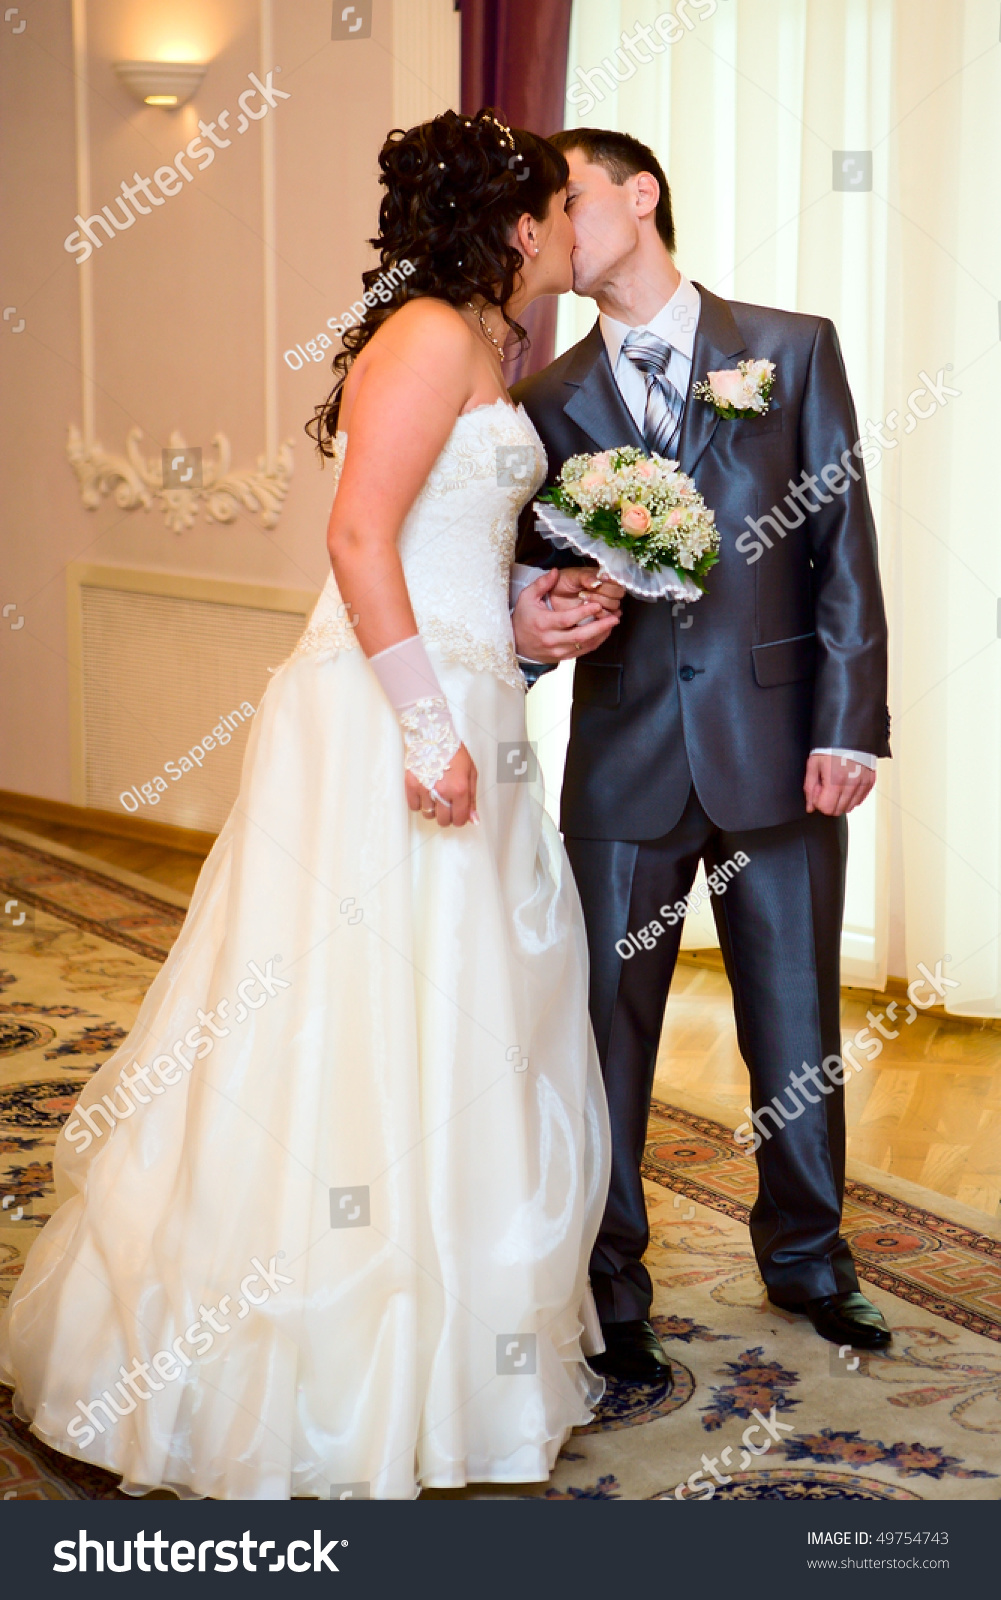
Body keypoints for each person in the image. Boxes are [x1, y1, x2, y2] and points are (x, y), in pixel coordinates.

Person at [0, 109, 612, 1501]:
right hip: (390, 723)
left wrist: (530, 606)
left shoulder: (477, 340)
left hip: (464, 699)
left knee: (461, 1025)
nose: (576, 231)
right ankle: (302, 1374)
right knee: (353, 1023)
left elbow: (435, 543)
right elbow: (354, 537)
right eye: (563, 210)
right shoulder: (429, 340)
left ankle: (452, 1364)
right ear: (517, 227)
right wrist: (422, 724)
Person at [510, 128, 892, 1382]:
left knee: (792, 1021)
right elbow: (529, 579)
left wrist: (847, 722)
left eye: (568, 198)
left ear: (638, 195)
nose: (553, 226)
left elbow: (840, 548)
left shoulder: (788, 349)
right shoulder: (547, 395)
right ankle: (612, 1280)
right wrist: (539, 628)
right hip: (622, 754)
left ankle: (808, 1257)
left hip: (781, 742)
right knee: (606, 1026)